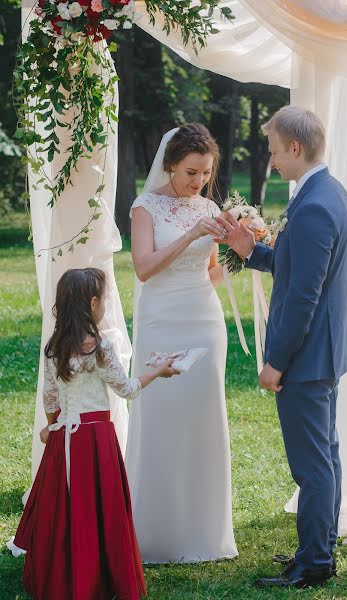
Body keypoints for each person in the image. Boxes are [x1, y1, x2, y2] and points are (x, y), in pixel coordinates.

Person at [216, 106, 347, 589]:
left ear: (294, 148)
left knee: (311, 464)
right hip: (327, 350)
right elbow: (297, 269)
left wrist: (275, 362)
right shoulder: (328, 193)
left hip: (307, 355)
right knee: (326, 455)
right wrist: (250, 250)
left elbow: (302, 297)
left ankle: (315, 563)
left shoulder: (315, 205)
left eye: (275, 151)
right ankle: (321, 544)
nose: (272, 162)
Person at [8, 268, 178, 600]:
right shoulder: (99, 347)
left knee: (69, 509)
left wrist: (52, 425)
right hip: (96, 439)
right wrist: (158, 370)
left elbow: (51, 397)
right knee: (100, 509)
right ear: (94, 302)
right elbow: (127, 389)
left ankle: (65, 575)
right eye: (106, 300)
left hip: (64, 439)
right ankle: (101, 576)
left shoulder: (53, 347)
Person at [126, 123, 238, 563]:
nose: (198, 182)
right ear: (171, 165)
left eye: (206, 173)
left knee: (202, 416)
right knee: (162, 416)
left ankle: (204, 532)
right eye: (191, 172)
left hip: (204, 321)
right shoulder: (144, 207)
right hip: (161, 320)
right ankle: (155, 531)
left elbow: (209, 272)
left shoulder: (209, 206)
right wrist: (192, 234)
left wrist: (237, 253)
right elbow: (143, 268)